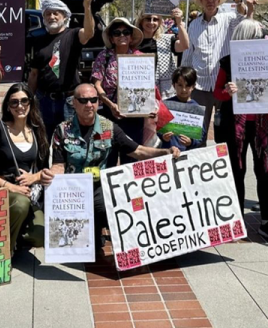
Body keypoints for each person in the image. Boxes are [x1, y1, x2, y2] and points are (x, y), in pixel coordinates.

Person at [40, 84, 180, 257]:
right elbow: (58, 166)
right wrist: (49, 175)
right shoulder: (62, 130)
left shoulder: (110, 128)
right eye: (83, 100)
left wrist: (165, 152)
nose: (89, 104)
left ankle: (103, 230)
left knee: (121, 206)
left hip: (100, 189)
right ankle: (90, 230)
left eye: (93, 100)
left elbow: (138, 151)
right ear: (74, 103)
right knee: (72, 245)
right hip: (72, 193)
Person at [213, 19, 268, 245]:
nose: (261, 40)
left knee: (264, 170)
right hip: (234, 124)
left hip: (262, 123)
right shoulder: (228, 62)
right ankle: (237, 220)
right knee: (236, 170)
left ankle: (266, 221)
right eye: (255, 36)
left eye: (263, 36)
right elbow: (217, 93)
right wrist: (228, 91)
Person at [0, 83, 50, 252]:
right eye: (14, 102)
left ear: (31, 103)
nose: (20, 106)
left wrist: (34, 177)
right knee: (20, 205)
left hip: (26, 192)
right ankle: (3, 253)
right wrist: (10, 187)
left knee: (40, 235)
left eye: (24, 101)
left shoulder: (38, 131)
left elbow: (45, 170)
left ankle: (13, 237)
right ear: (8, 106)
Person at [180, 0, 253, 143]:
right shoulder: (193, 25)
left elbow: (243, 15)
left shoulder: (229, 19)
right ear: (201, 1)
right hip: (199, 86)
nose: (210, 0)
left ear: (219, 0)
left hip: (224, 86)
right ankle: (197, 164)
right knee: (196, 134)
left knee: (225, 134)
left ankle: (224, 166)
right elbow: (189, 54)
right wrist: (184, 79)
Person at [28, 0, 95, 139]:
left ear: (64, 16)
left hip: (68, 101)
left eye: (56, 13)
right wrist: (29, 99)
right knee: (42, 140)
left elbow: (89, 33)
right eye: (48, 13)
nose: (52, 16)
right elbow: (33, 74)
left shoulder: (73, 35)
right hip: (43, 100)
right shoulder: (38, 41)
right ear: (44, 17)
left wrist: (87, 6)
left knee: (70, 142)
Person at [91, 17, 145, 147]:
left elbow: (147, 87)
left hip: (135, 113)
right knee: (108, 150)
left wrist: (148, 107)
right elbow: (97, 84)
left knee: (133, 151)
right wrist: (111, 105)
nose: (122, 36)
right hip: (109, 111)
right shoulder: (104, 56)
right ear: (111, 38)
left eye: (126, 32)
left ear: (131, 37)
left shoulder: (140, 57)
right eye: (117, 33)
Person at [136, 9, 190, 99]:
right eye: (148, 19)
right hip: (138, 89)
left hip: (162, 92)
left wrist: (179, 22)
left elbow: (184, 46)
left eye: (155, 19)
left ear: (160, 22)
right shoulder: (133, 42)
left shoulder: (166, 40)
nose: (152, 22)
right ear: (141, 21)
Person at [157, 67, 204, 152]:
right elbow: (157, 131)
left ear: (193, 86)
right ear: (173, 85)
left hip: (187, 155)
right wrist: (163, 137)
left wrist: (191, 142)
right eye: (180, 85)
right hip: (167, 152)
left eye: (188, 85)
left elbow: (201, 136)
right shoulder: (166, 105)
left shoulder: (196, 109)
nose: (184, 89)